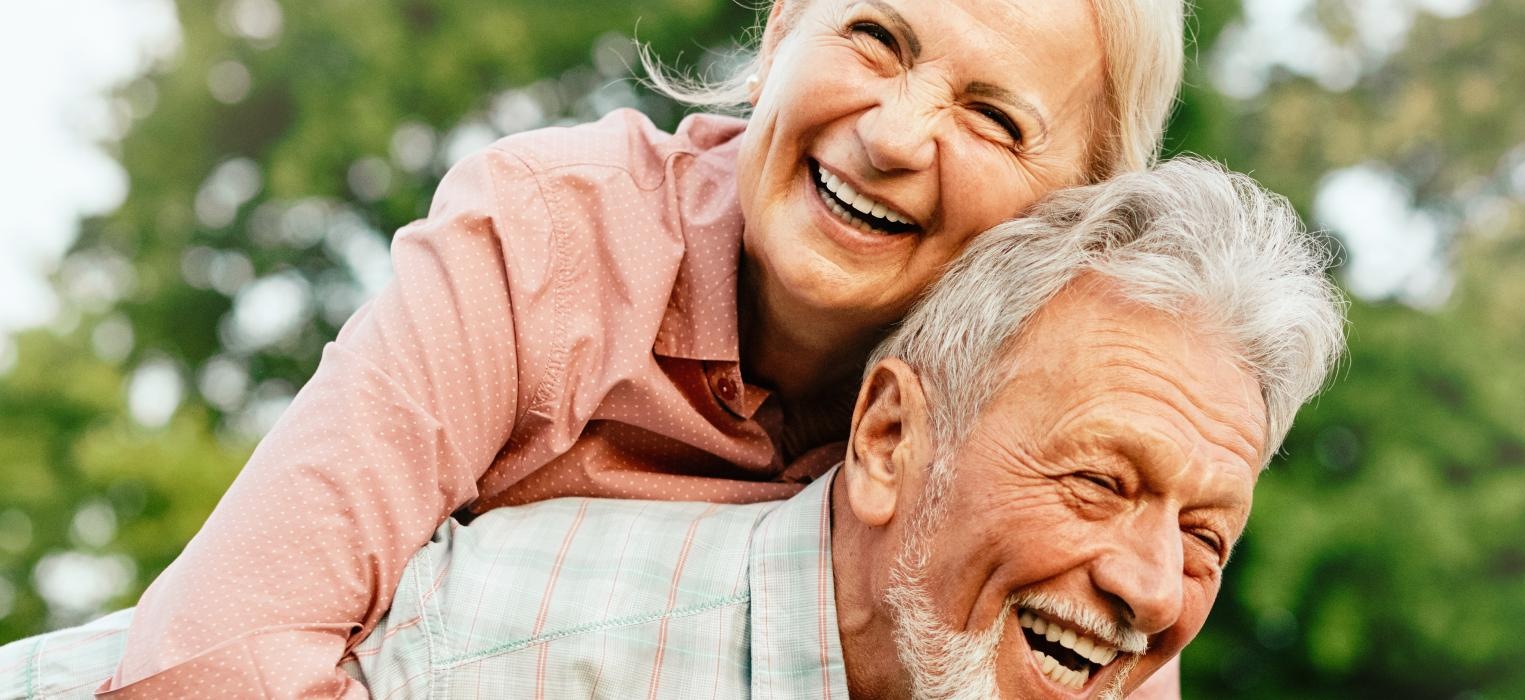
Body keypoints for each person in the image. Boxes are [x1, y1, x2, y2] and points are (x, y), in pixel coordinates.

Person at [87, 0, 1191, 696]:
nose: (895, 135)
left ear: (1072, 216)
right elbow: (216, 661)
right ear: (777, 35)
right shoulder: (545, 238)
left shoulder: (1061, 426)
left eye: (993, 116)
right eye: (874, 37)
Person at [2, 157, 1346, 699]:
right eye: (1103, 483)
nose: (1153, 583)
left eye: (1208, 536)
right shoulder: (500, 644)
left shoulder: (1026, 652)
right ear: (887, 442)